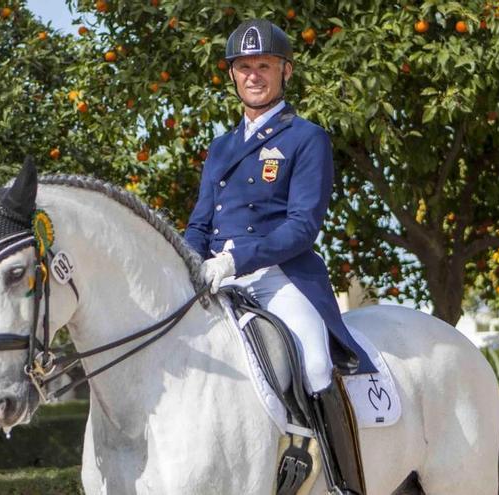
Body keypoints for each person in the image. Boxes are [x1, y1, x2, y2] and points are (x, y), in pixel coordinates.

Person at [183, 19, 371, 494]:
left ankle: (340, 479)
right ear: (232, 75)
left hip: (280, 275)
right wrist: (187, 260)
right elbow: (201, 222)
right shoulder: (222, 146)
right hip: (219, 279)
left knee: (312, 361)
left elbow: (302, 227)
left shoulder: (306, 138)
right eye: (243, 67)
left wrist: (236, 259)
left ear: (285, 70)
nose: (253, 75)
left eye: (263, 65)